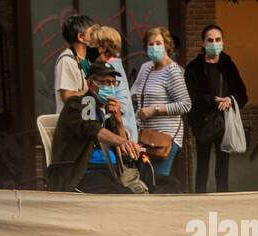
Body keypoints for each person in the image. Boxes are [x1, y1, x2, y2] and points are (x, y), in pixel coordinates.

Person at [47, 60, 149, 194]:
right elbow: (91, 128)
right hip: (84, 173)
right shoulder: (80, 103)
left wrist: (118, 121)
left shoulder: (106, 108)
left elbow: (124, 152)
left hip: (114, 172)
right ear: (90, 83)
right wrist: (123, 141)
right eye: (104, 82)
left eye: (113, 83)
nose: (110, 87)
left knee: (168, 184)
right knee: (125, 195)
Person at [184, 24, 247, 192]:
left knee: (222, 166)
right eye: (210, 40)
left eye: (218, 40)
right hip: (202, 123)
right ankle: (200, 199)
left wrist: (230, 100)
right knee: (202, 165)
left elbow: (242, 94)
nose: (214, 43)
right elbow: (189, 97)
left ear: (223, 42)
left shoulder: (228, 65)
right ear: (203, 43)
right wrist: (212, 100)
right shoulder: (194, 68)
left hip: (223, 123)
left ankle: (223, 199)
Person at [130, 26, 191, 179]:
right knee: (145, 180)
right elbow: (134, 92)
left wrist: (155, 109)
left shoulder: (173, 71)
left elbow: (185, 104)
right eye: (151, 44)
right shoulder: (146, 68)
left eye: (158, 43)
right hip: (146, 136)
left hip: (165, 138)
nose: (154, 47)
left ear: (167, 45)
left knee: (158, 180)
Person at [88, 25, 138, 140]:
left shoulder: (112, 69)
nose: (89, 48)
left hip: (120, 135)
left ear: (103, 47)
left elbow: (122, 105)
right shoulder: (104, 66)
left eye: (92, 44)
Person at [54, 13, 96, 112]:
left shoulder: (88, 59)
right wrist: (95, 90)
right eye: (93, 33)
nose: (97, 36)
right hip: (73, 123)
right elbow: (67, 98)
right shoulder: (66, 60)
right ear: (81, 37)